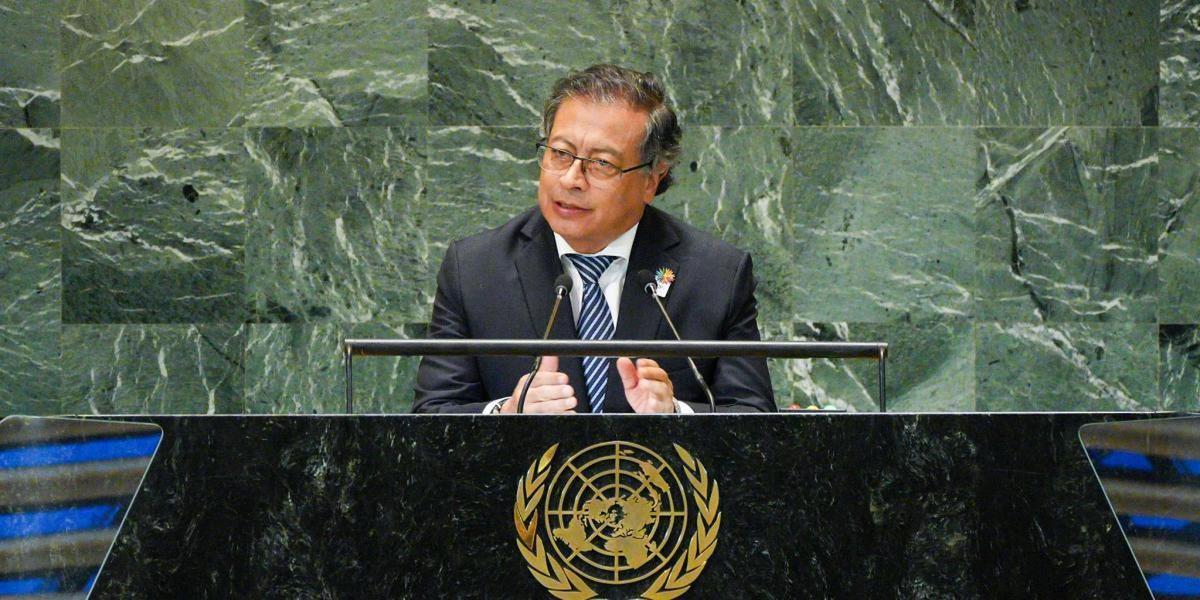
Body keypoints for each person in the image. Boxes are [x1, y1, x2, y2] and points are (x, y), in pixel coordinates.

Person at [413, 64, 773, 414]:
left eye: (601, 163)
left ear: (652, 179)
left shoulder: (717, 275)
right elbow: (431, 416)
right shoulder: (475, 268)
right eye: (560, 153)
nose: (571, 179)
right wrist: (504, 413)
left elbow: (755, 420)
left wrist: (676, 412)